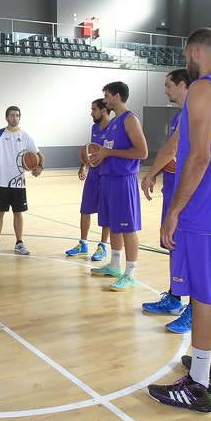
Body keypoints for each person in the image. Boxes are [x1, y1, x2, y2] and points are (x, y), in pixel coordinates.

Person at [148, 27, 211, 413]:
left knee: (204, 297)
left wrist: (174, 210)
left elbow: (200, 156)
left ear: (194, 51)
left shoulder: (203, 89)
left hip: (203, 211)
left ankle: (198, 385)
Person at [140, 69, 193, 333]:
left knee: (190, 249)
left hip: (188, 195)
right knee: (174, 245)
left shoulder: (194, 114)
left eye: (168, 85)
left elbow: (172, 149)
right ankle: (174, 297)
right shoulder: (178, 116)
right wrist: (160, 171)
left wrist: (150, 173)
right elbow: (174, 156)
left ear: (182, 85)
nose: (165, 90)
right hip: (171, 191)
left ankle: (195, 309)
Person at [89, 82, 148, 291]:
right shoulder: (113, 122)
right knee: (114, 225)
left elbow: (142, 152)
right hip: (108, 178)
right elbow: (108, 150)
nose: (104, 99)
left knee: (127, 227)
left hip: (124, 180)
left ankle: (130, 273)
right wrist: (98, 156)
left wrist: (109, 153)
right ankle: (115, 265)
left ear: (117, 96)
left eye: (106, 95)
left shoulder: (130, 119)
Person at [0, 106, 44, 256]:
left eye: (17, 115)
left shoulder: (26, 135)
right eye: (12, 115)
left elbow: (39, 154)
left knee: (18, 213)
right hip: (2, 182)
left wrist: (40, 166)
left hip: (18, 182)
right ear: (7, 118)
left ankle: (19, 243)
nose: (15, 118)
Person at [64, 99, 112, 262]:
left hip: (106, 175)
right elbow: (89, 149)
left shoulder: (113, 128)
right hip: (93, 174)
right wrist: (83, 165)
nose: (91, 112)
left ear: (104, 110)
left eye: (94, 109)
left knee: (106, 213)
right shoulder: (94, 127)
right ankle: (83, 243)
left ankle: (103, 246)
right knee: (85, 209)